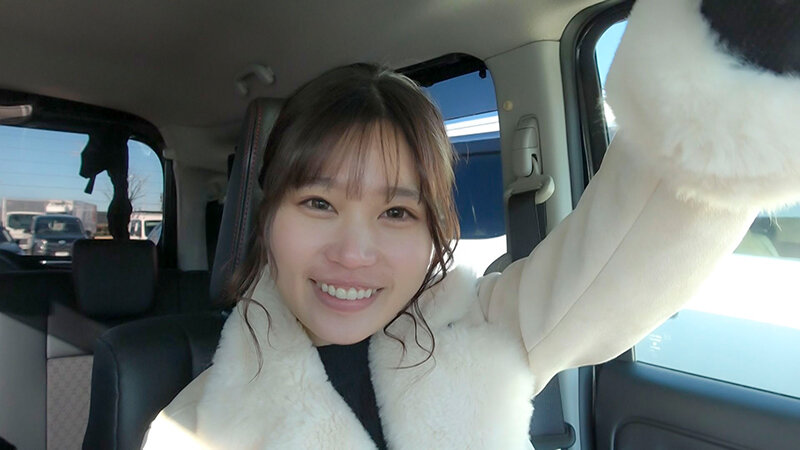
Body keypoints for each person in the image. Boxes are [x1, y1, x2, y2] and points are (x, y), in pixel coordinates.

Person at [143, 0, 800, 448]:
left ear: (436, 231)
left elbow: (633, 244)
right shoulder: (192, 430)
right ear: (266, 218)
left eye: (397, 212)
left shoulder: (483, 329)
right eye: (319, 203)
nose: (354, 252)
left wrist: (746, 49)